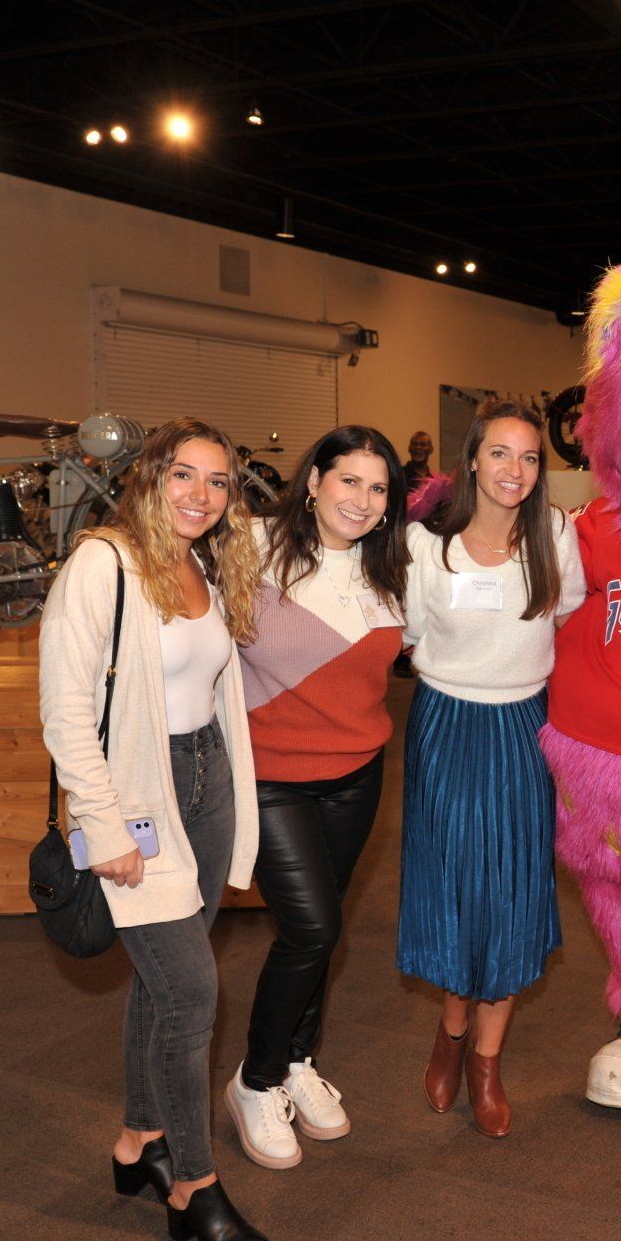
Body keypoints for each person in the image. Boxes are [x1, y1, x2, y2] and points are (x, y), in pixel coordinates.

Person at [37, 417, 271, 1241]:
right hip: (137, 792)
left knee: (162, 983)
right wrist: (102, 825)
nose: (200, 495)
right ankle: (194, 1185)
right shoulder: (102, 564)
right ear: (148, 478)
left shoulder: (205, 562)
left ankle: (138, 1141)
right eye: (183, 475)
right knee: (193, 995)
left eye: (217, 481)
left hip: (205, 788)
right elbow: (65, 710)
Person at [224, 426, 409, 1170]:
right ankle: (256, 1080)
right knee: (311, 929)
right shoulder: (251, 547)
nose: (362, 500)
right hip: (271, 777)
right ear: (313, 482)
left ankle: (298, 1062)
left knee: (322, 932)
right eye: (348, 481)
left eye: (378, 488)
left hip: (358, 774)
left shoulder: (391, 566)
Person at [398, 398, 584, 1138]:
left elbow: (566, 614)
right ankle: (450, 1033)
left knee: (511, 890)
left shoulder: (556, 535)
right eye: (500, 453)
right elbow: (410, 632)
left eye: (530, 457)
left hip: (522, 728)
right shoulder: (424, 543)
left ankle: (485, 1060)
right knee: (451, 886)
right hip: (445, 725)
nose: (515, 470)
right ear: (472, 459)